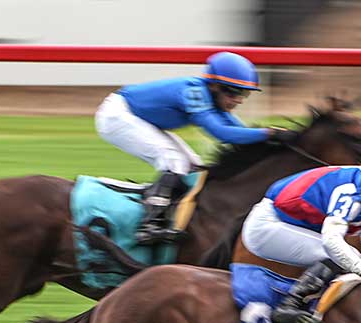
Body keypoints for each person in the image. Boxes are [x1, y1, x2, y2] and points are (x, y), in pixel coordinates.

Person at [94, 51, 294, 245]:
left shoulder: (211, 97)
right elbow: (222, 133)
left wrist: (275, 141)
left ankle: (174, 214)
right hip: (117, 116)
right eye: (233, 92)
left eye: (244, 93)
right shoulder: (194, 93)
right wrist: (269, 134)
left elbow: (238, 133)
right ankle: (149, 225)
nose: (239, 100)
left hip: (137, 117)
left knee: (193, 167)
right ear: (214, 85)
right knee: (173, 161)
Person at [241, 154, 361, 323]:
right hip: (266, 228)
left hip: (289, 225)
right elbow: (331, 241)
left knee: (352, 259)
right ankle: (289, 305)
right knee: (347, 257)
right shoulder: (353, 195)